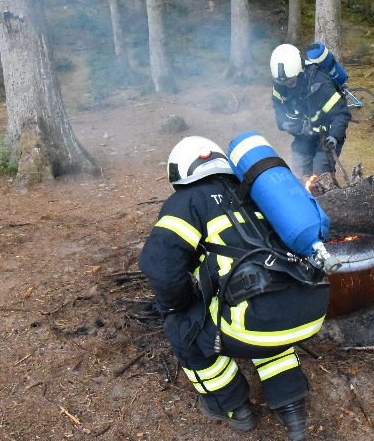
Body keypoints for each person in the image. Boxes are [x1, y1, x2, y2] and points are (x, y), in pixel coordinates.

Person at [138, 136, 331, 440]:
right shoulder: (258, 195)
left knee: (182, 330)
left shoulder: (186, 201)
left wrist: (181, 305)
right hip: (311, 306)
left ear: (180, 174)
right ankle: (292, 409)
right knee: (264, 316)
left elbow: (160, 267)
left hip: (258, 322)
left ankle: (232, 407)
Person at [270, 43, 352, 177]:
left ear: (299, 70)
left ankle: (325, 194)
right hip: (305, 135)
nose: (287, 85)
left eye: (290, 81)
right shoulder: (280, 86)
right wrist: (283, 123)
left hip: (327, 135)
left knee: (320, 173)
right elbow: (278, 107)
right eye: (283, 83)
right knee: (299, 169)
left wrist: (335, 136)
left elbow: (341, 113)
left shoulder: (319, 83)